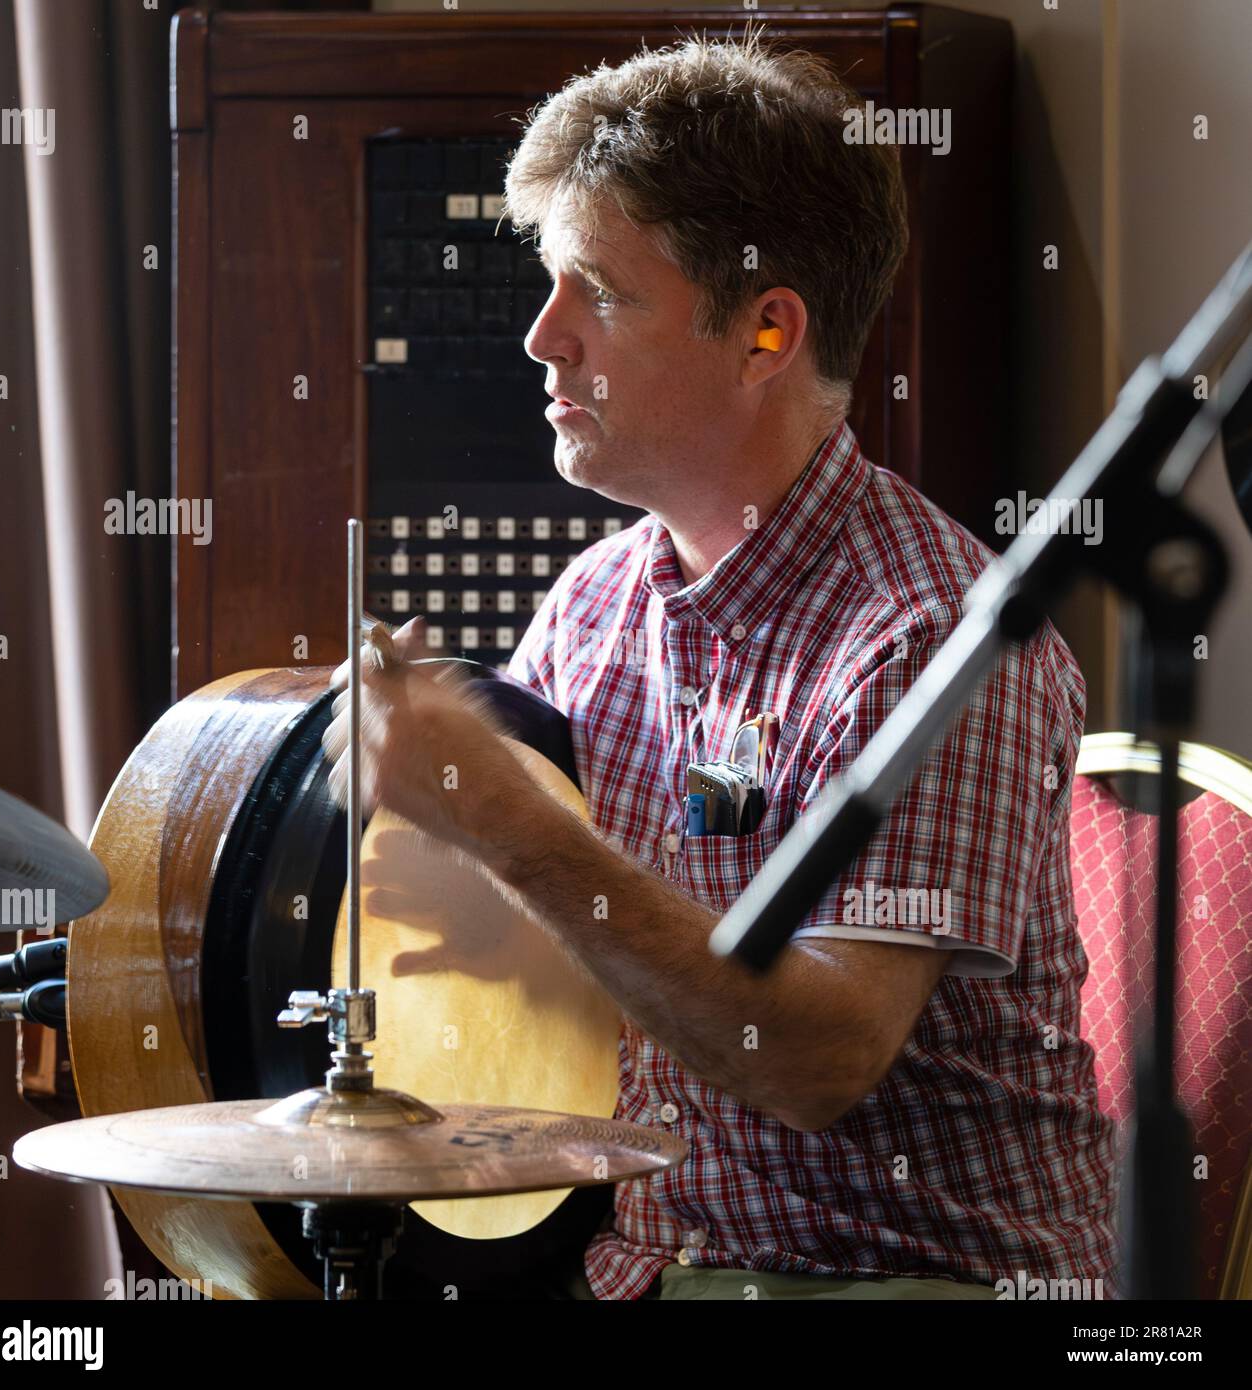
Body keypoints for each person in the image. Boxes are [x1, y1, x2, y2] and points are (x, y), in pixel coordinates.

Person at [324, 28, 1117, 1301]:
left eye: (600, 293)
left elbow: (815, 1061)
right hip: (644, 1264)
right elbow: (567, 963)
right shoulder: (592, 601)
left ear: (765, 333)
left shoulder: (933, 636)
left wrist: (507, 824)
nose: (540, 338)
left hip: (900, 1281)